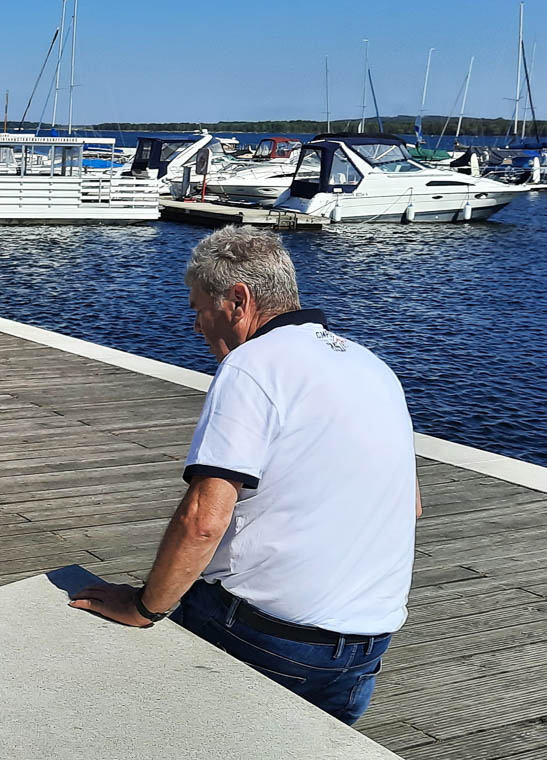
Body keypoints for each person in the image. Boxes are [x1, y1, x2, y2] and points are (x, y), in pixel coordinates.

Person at [70, 225, 420, 725]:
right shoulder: (374, 369)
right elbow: (410, 506)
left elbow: (203, 522)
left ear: (238, 301)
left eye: (198, 309)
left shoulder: (252, 364)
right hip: (366, 645)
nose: (196, 326)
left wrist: (142, 608)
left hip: (268, 638)